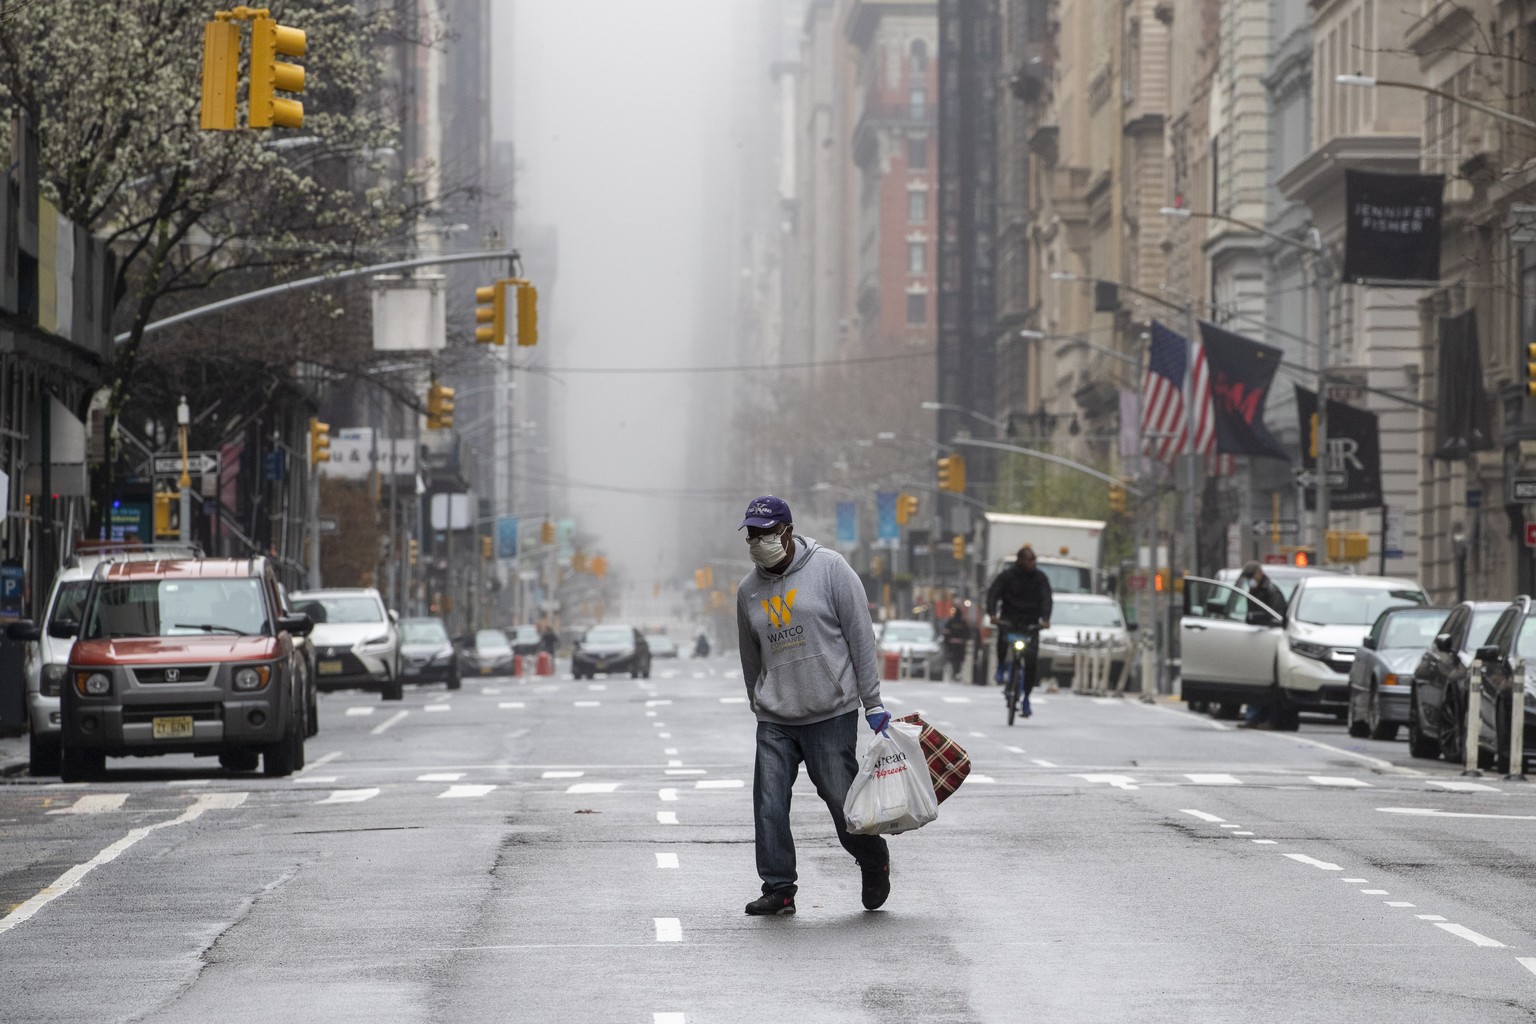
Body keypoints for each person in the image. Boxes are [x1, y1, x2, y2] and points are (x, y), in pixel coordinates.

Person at [735, 495, 892, 917]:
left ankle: (873, 858)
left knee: (843, 803)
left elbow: (861, 636)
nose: (758, 541)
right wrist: (759, 701)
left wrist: (872, 702)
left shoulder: (831, 569)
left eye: (765, 533)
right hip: (776, 717)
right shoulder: (748, 590)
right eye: (752, 534)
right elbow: (751, 656)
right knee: (769, 803)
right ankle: (779, 888)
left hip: (830, 710)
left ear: (786, 531)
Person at [984, 545, 1053, 716]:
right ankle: (1001, 667)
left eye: (1034, 559)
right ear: (1021, 560)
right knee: (1002, 639)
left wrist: (1045, 619)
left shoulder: (1040, 578)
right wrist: (993, 614)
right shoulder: (1007, 576)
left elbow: (1046, 598)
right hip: (1010, 619)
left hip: (1031, 623)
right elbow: (993, 594)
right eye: (1030, 559)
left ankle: (1027, 698)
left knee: (1030, 662)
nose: (1033, 563)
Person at [1236, 561, 1287, 730]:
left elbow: (1277, 617)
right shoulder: (1254, 590)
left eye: (1251, 576)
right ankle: (1254, 718)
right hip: (1256, 641)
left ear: (1259, 573)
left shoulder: (1271, 592)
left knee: (1267, 684)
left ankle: (1265, 719)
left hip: (1268, 641)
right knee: (1255, 682)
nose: (1250, 580)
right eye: (1248, 577)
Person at [941, 607, 972, 680]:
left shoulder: (950, 622)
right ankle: (957, 672)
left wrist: (946, 642)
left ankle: (954, 672)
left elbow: (946, 633)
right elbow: (967, 633)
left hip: (952, 644)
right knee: (959, 659)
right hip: (961, 644)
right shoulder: (963, 623)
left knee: (952, 659)